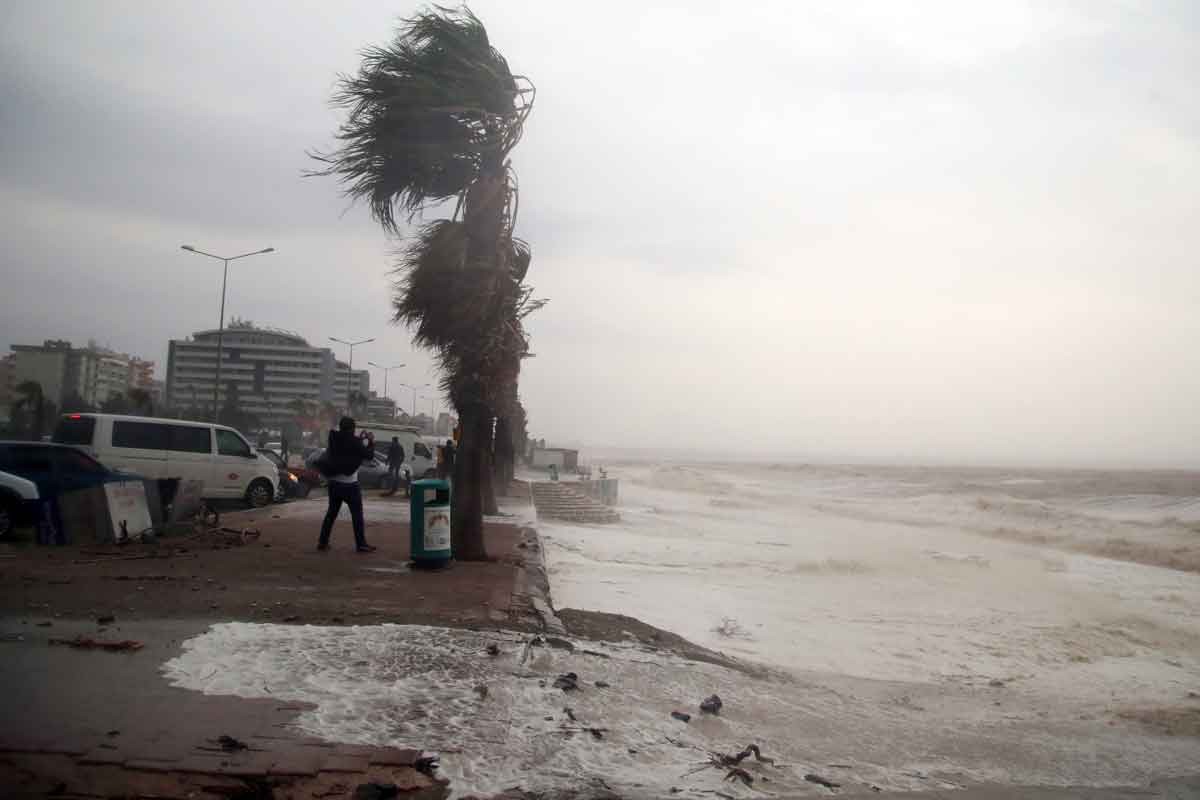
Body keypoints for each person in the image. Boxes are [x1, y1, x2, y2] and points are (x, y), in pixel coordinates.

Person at [317, 416, 376, 553]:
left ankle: (322, 542)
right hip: (350, 485)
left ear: (341, 427)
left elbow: (347, 446)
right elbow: (368, 455)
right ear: (352, 428)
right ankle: (361, 544)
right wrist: (371, 441)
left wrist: (359, 440)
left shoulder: (334, 439)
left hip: (334, 484)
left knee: (331, 514)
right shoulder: (355, 442)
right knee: (357, 516)